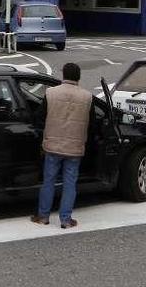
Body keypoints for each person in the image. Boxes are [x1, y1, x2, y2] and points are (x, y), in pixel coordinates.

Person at [31, 62, 92, 229]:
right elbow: (91, 122)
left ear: (63, 75)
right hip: (74, 147)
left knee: (49, 181)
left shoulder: (51, 93)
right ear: (78, 77)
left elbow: (40, 117)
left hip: (52, 145)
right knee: (70, 183)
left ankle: (43, 216)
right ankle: (66, 219)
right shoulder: (87, 97)